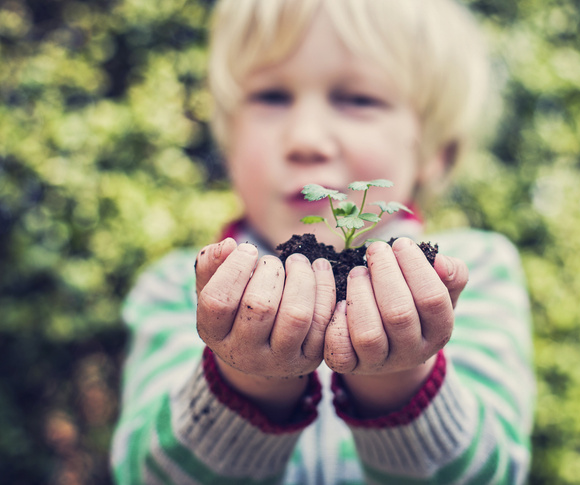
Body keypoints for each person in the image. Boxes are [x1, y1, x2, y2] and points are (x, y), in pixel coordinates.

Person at [111, 0, 535, 483]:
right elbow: (145, 475)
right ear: (228, 138)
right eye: (271, 96)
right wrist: (246, 380)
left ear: (436, 151)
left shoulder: (474, 270)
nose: (306, 138)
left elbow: (491, 473)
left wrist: (401, 377)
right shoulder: (178, 288)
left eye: (358, 99)